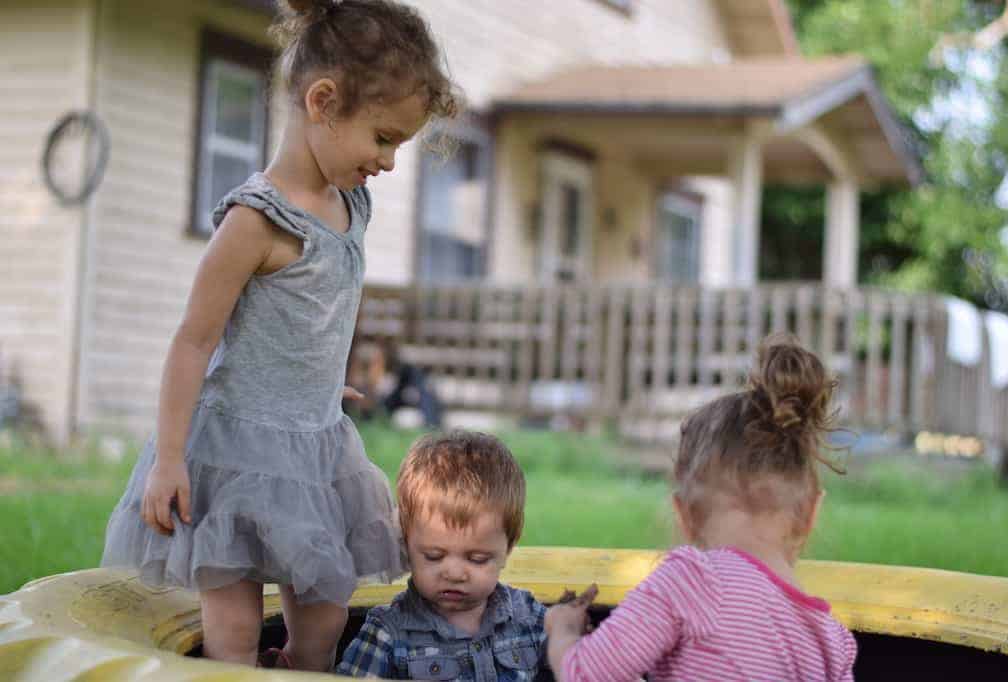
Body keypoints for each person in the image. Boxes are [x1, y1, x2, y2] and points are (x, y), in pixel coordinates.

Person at [101, 0, 459, 671]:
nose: (386, 161)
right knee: (235, 627)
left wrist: (321, 376)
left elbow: (309, 311)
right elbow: (193, 342)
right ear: (323, 102)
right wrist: (169, 459)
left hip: (314, 441)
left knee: (323, 612)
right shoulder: (255, 220)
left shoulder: (352, 203)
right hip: (233, 445)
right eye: (382, 138)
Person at [545, 337, 857, 681]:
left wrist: (564, 633)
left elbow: (584, 674)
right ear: (811, 513)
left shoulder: (694, 580)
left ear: (685, 514)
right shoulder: (833, 641)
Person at [337, 430, 549, 680]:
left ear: (508, 548)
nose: (454, 573)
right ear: (406, 542)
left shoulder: (529, 617)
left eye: (477, 559)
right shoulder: (388, 634)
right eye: (434, 556)